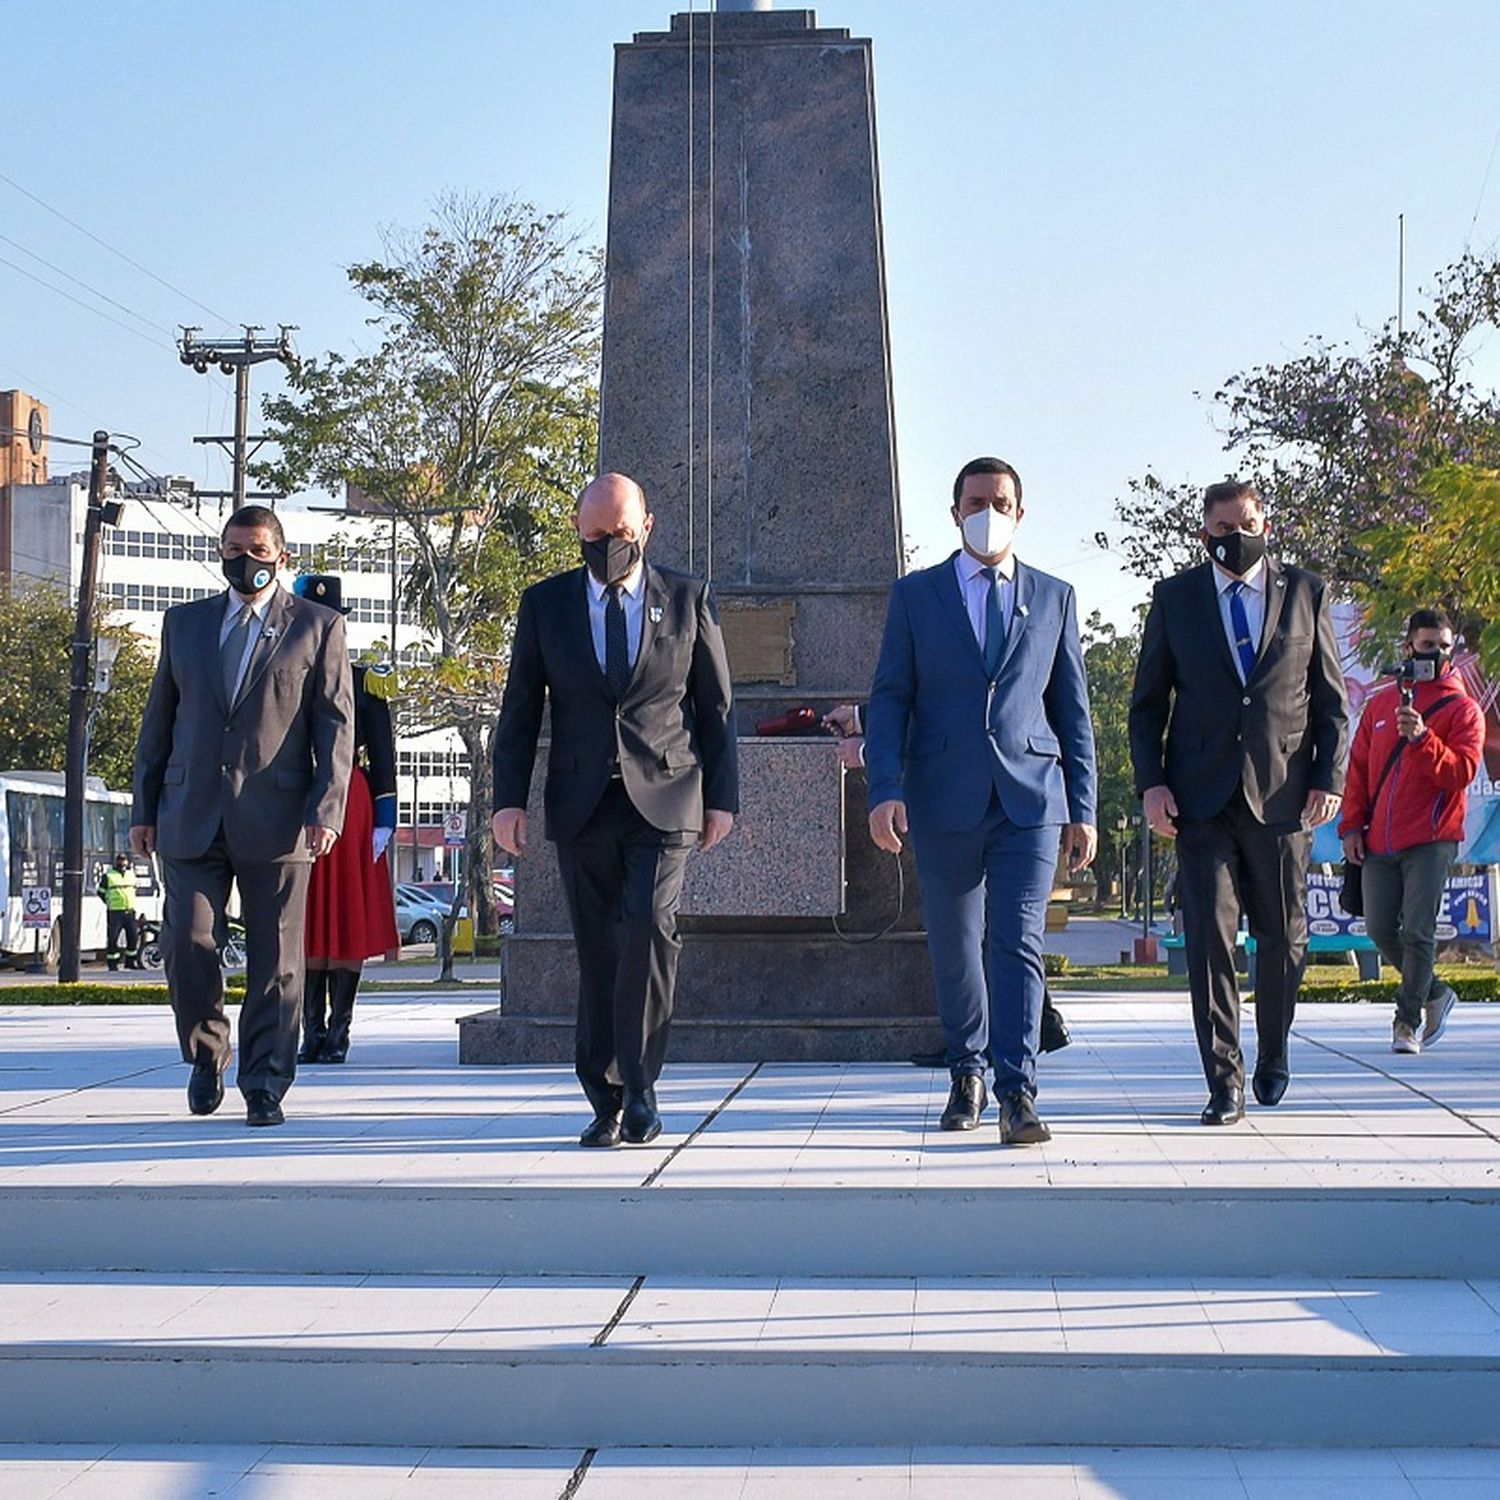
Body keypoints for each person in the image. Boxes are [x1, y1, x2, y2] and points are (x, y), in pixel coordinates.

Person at [492, 472, 738, 1148]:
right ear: (578, 530)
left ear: (647, 528)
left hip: (665, 797)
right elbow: (520, 711)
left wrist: (724, 799)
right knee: (600, 949)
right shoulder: (545, 605)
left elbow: (715, 709)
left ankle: (643, 1086)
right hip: (581, 804)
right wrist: (505, 800)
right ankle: (605, 1096)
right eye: (596, 534)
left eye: (622, 533)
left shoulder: (687, 600)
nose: (609, 546)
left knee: (651, 931)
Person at [865, 456, 1097, 1146]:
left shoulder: (1054, 597)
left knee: (1018, 942)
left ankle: (1017, 1091)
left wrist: (1083, 806)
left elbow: (1072, 709)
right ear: (954, 510)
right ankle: (965, 1070)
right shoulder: (917, 596)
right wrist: (885, 790)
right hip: (942, 797)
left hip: (1030, 799)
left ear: (1020, 513)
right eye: (974, 500)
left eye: (999, 500)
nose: (986, 511)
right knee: (956, 945)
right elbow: (890, 699)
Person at [1129, 480, 1347, 1125]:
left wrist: (1327, 777)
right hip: (1199, 800)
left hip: (1284, 797)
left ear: (1266, 524)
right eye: (1223, 528)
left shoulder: (1308, 593)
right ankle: (1225, 1081)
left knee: (1283, 937)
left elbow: (1332, 702)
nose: (1236, 537)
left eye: (1246, 524)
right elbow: (1147, 706)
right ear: (1204, 534)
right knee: (1210, 941)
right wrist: (1151, 783)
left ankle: (1273, 1050)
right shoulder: (1176, 599)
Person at [131, 505, 354, 1128]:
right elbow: (159, 724)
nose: (244, 561)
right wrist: (143, 807)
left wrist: (326, 807)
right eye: (233, 549)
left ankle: (264, 1082)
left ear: (281, 556)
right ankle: (207, 1056)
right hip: (189, 813)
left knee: (276, 962)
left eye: (256, 550)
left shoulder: (317, 626)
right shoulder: (185, 625)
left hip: (279, 819)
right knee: (187, 940)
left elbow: (336, 727)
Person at [824, 701, 1073, 1057]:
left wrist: (867, 751)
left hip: (1000, 794)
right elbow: (928, 692)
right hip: (971, 797)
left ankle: (997, 1048)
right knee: (987, 929)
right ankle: (1013, 1034)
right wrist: (864, 719)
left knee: (998, 930)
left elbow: (963, 714)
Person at [1339, 609, 1484, 1055]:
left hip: (1432, 838)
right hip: (1378, 839)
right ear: (1407, 649)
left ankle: (1407, 1022)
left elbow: (1461, 772)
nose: (1437, 655)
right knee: (1382, 928)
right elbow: (1359, 770)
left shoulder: (1464, 709)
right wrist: (1350, 826)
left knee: (1419, 930)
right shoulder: (1382, 704)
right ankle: (1436, 992)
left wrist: (1423, 740)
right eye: (1427, 646)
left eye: (1444, 647)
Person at [294, 576, 401, 1065]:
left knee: (346, 914)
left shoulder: (364, 680)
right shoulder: (283, 670)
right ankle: (310, 1030)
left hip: (348, 801)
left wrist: (384, 814)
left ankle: (338, 1031)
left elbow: (382, 751)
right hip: (294, 798)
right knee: (307, 917)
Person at [97, 852, 143, 971]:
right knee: (113, 939)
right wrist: (109, 902)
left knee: (133, 938)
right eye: (120, 860)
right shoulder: (108, 876)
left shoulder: (131, 875)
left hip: (130, 912)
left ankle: (130, 962)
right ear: (116, 862)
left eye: (124, 860)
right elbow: (101, 892)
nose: (122, 862)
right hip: (115, 913)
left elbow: (134, 890)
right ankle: (112, 964)